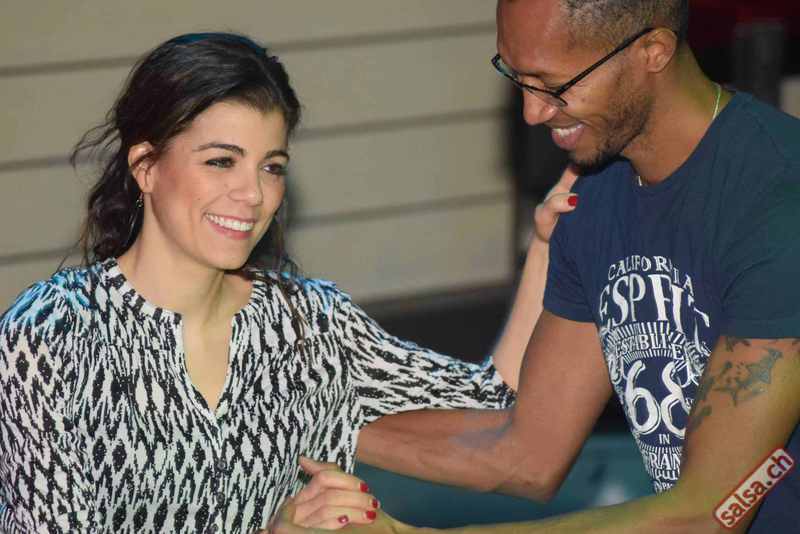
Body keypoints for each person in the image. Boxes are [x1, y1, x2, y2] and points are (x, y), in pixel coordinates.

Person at [272, 1, 800, 532]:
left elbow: (710, 514)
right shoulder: (593, 198)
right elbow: (526, 453)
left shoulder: (779, 201)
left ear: (653, 52)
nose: (532, 112)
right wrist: (291, 424)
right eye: (516, 79)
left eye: (553, 85)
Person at [0, 32, 553, 533]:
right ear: (145, 166)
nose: (253, 195)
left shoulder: (313, 325)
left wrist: (548, 245)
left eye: (272, 167)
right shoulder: (50, 335)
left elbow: (492, 401)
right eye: (221, 161)